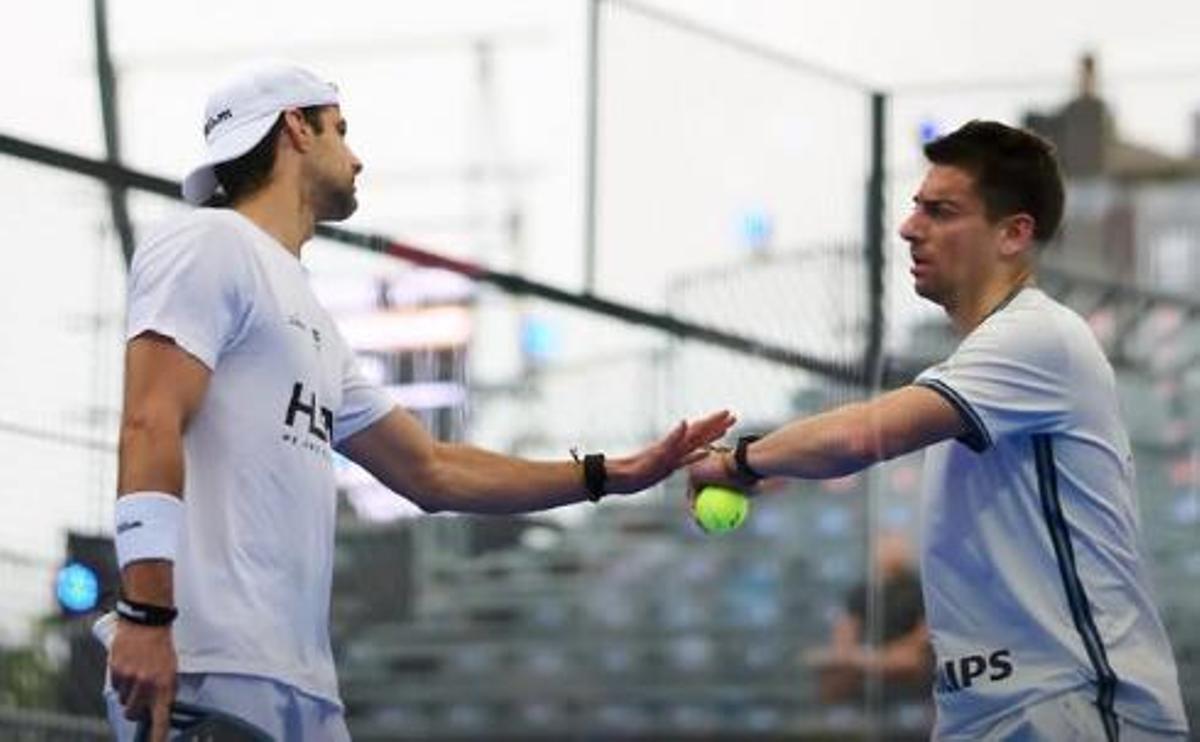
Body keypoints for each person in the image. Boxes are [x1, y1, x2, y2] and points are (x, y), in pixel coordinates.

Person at [102, 62, 734, 742]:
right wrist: (145, 619)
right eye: (340, 131)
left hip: (301, 689)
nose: (358, 156)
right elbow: (149, 420)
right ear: (295, 128)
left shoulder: (309, 317)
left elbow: (431, 470)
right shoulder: (207, 240)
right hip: (206, 670)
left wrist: (605, 476)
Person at [690, 120, 1188, 740]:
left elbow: (857, 437)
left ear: (1014, 234)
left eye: (941, 211)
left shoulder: (1041, 336)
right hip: (981, 716)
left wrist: (740, 462)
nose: (909, 227)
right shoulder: (981, 366)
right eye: (914, 207)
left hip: (1080, 707)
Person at [806, 532, 932, 706]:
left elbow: (924, 633)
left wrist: (887, 655)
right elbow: (845, 632)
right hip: (866, 658)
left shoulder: (919, 589)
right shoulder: (860, 591)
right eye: (885, 546)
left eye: (895, 546)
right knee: (831, 670)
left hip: (904, 658)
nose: (890, 550)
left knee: (911, 660)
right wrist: (853, 654)